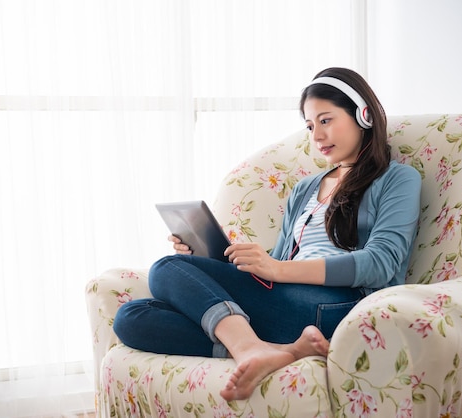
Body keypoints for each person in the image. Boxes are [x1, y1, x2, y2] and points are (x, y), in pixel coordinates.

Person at [112, 67, 422, 401]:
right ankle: (284, 349)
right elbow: (283, 259)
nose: (316, 136)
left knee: (165, 269)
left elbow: (382, 262)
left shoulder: (397, 179)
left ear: (363, 115)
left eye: (326, 120)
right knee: (132, 317)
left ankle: (249, 350)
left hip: (339, 303)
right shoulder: (306, 188)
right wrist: (207, 261)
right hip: (287, 302)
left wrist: (275, 269)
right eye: (309, 125)